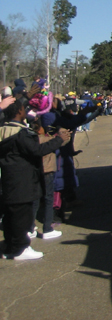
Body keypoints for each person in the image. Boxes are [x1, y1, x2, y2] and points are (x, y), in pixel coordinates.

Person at [0, 100, 70, 260]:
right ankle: (20, 249)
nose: (26, 111)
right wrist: (59, 140)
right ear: (19, 111)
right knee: (21, 217)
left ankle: (10, 247)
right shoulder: (21, 134)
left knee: (10, 217)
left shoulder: (3, 129)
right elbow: (37, 150)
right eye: (24, 109)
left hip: (8, 179)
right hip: (22, 181)